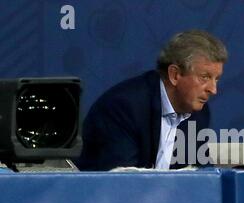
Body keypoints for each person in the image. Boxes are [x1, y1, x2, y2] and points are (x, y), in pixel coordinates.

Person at [75, 30, 227, 171]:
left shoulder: (198, 113)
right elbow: (122, 180)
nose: (213, 90)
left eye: (217, 79)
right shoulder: (124, 107)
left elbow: (203, 177)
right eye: (205, 77)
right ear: (174, 75)